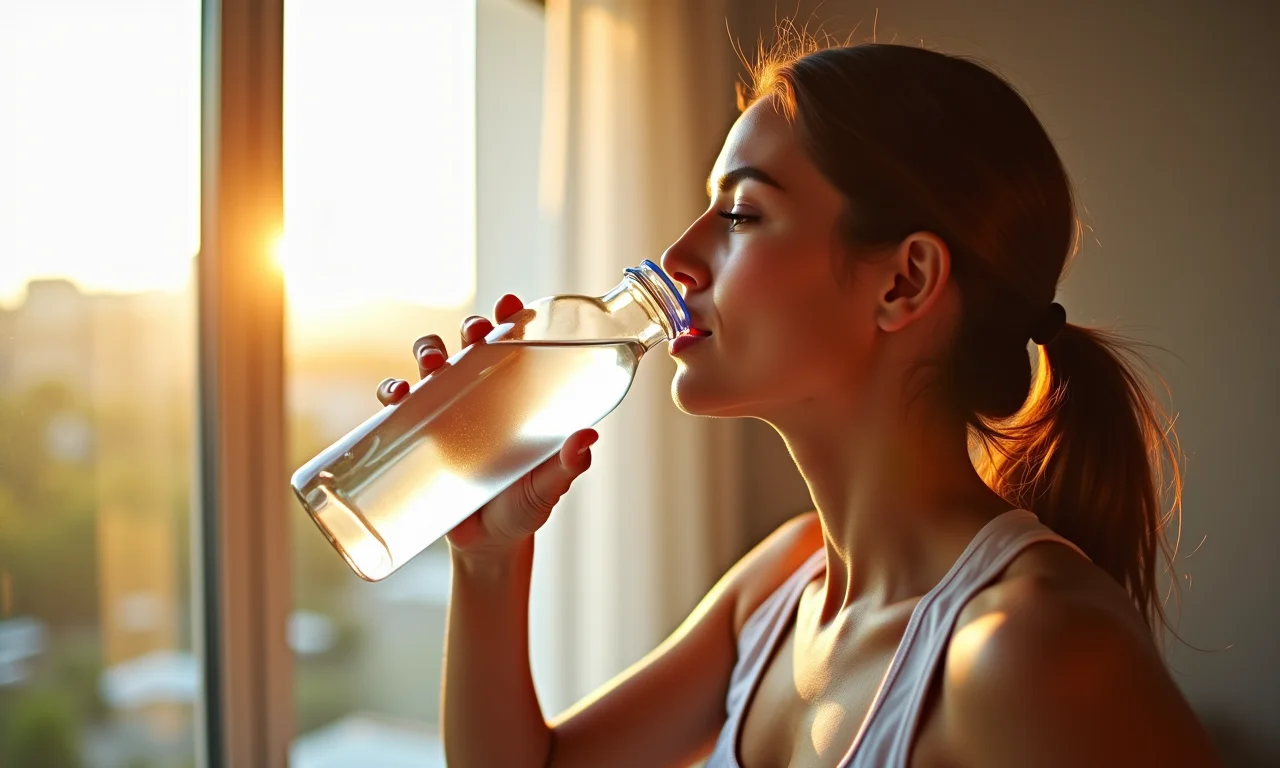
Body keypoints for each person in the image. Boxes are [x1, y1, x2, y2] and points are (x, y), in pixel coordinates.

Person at [376, 40, 1219, 768]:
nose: (675, 257)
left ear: (904, 281)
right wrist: (489, 558)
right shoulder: (780, 585)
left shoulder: (1029, 652)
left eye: (741, 213)